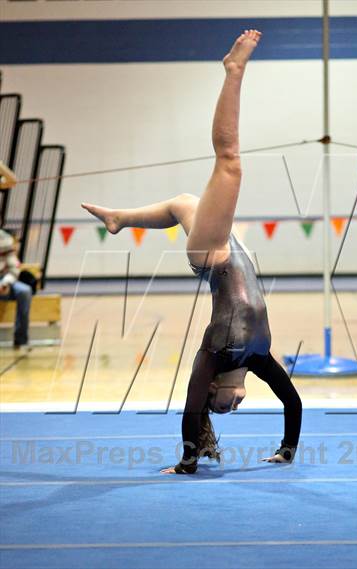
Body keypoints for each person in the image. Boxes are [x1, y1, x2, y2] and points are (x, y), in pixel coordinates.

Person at [82, 30, 302, 474]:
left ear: (213, 389)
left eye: (222, 407)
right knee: (183, 202)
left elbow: (189, 408)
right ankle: (119, 218)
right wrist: (287, 450)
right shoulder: (256, 357)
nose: (233, 406)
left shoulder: (216, 354)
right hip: (229, 251)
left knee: (229, 161)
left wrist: (187, 462)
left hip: (215, 257)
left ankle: (233, 71)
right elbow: (292, 402)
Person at [0, 228, 32, 351]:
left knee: (25, 291)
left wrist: (5, 283)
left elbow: (14, 267)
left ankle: (21, 339)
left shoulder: (5, 238)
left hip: (4, 279)